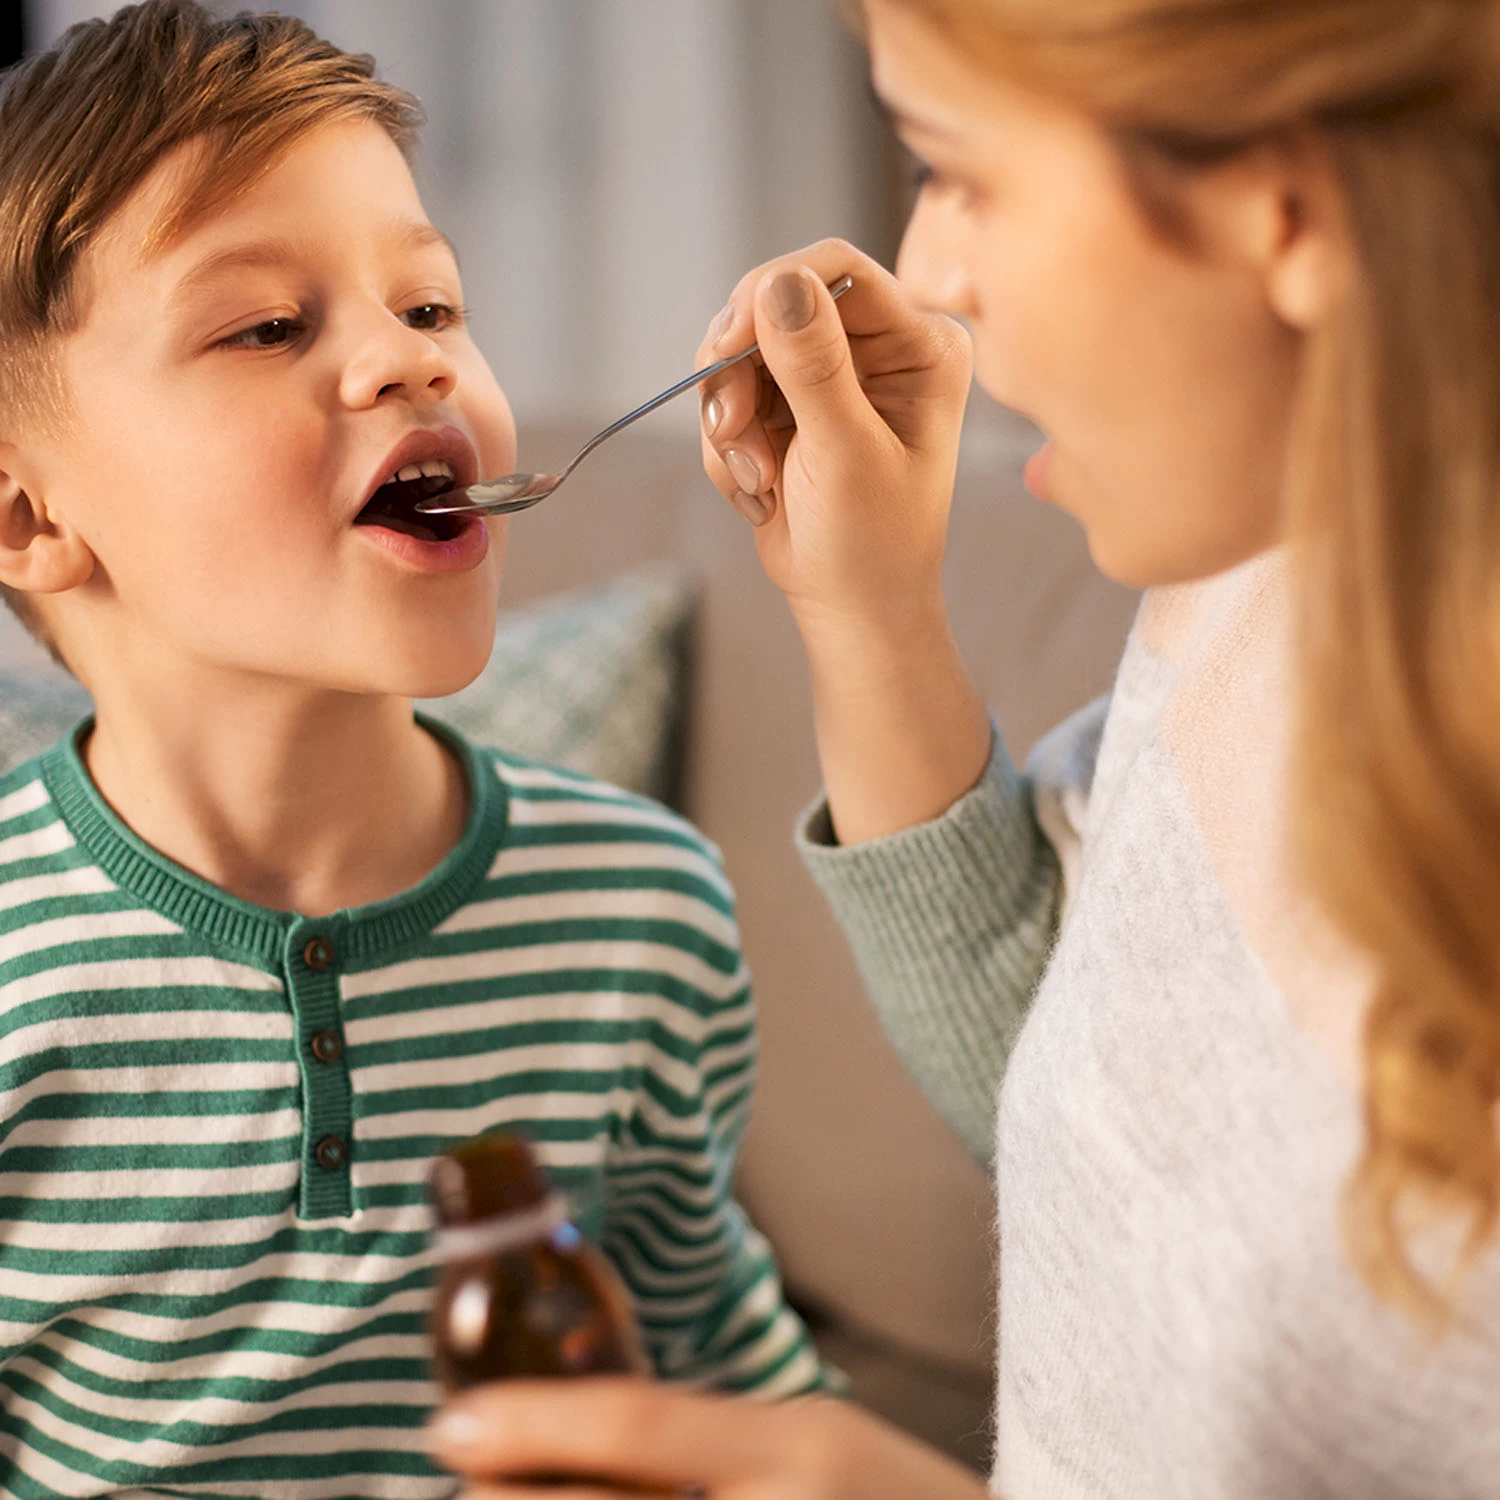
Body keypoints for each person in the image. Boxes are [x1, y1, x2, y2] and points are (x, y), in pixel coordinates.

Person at [430, 0, 1500, 1496]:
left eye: (960, 170)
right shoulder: (1243, 583)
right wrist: (867, 608)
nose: (925, 272)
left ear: (1289, 201)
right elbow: (1071, 1079)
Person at [0, 3, 833, 1493]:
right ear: (30, 520)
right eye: (266, 324)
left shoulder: (640, 908)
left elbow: (722, 1377)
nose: (406, 363)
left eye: (432, 307)